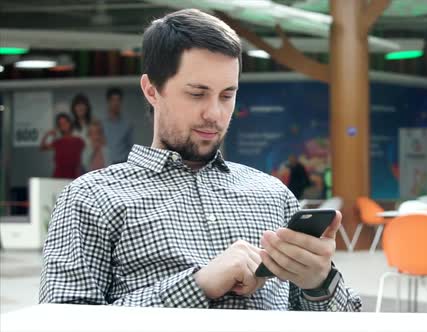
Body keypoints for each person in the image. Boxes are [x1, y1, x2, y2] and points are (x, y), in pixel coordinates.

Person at [40, 9, 361, 311]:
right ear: (152, 90)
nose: (215, 114)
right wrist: (199, 285)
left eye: (227, 95)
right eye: (197, 94)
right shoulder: (91, 198)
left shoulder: (273, 195)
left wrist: (319, 284)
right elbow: (60, 322)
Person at [40, 113, 85, 179]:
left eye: (65, 122)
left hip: (74, 175)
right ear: (59, 127)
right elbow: (42, 148)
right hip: (59, 176)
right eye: (61, 124)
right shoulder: (58, 142)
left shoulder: (79, 140)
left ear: (70, 123)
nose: (64, 125)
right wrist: (47, 134)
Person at [103, 87, 133, 164]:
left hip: (122, 164)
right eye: (113, 100)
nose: (116, 103)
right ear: (108, 102)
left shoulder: (127, 125)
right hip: (105, 165)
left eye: (118, 100)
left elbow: (130, 147)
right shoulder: (101, 124)